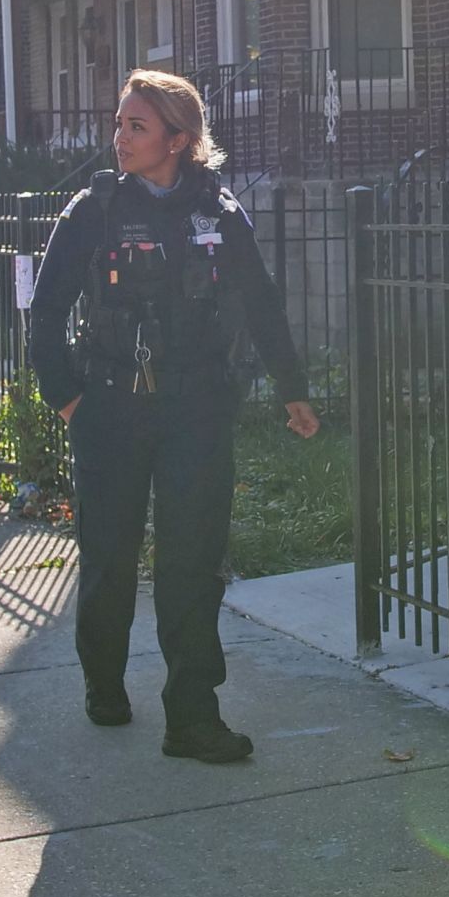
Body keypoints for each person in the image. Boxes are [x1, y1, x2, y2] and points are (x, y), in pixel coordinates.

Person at [30, 69, 319, 764]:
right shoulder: (94, 210)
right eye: (119, 124)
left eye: (137, 126)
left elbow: (262, 302)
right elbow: (45, 311)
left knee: (193, 563)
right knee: (110, 558)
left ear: (178, 140)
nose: (120, 138)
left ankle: (192, 715)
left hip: (196, 409)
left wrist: (292, 390)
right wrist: (65, 396)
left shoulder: (219, 212)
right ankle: (105, 680)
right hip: (109, 407)